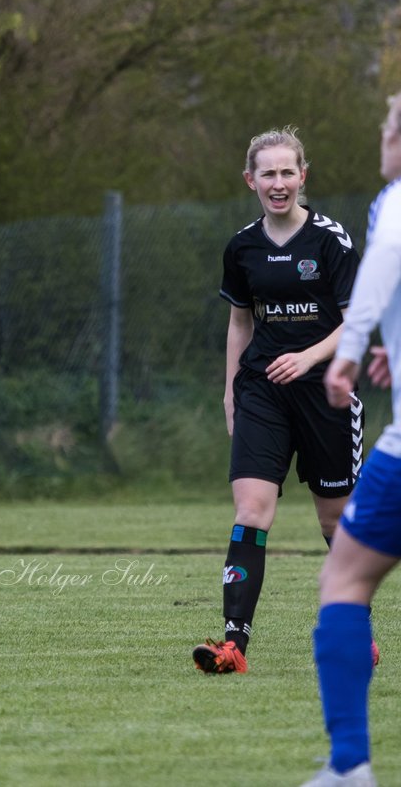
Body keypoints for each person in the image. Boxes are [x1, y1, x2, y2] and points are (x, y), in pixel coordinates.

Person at [193, 126, 364, 675]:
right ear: (251, 180)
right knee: (251, 512)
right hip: (262, 390)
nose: (279, 182)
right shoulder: (242, 247)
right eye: (268, 173)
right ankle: (232, 645)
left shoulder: (330, 241)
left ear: (303, 177)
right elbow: (239, 320)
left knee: (335, 522)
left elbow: (357, 322)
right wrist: (229, 392)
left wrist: (310, 358)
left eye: (288, 172)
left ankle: (354, 632)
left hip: (325, 391)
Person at [302, 94, 401, 787]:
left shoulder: (396, 200)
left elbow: (384, 262)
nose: (383, 138)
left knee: (345, 578)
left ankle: (349, 768)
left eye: (391, 128)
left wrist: (349, 349)